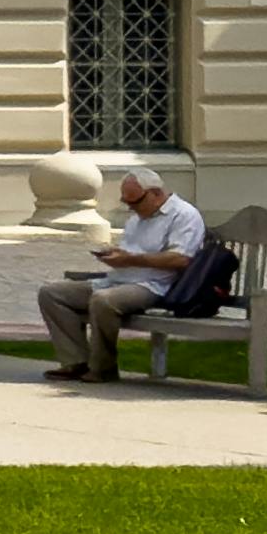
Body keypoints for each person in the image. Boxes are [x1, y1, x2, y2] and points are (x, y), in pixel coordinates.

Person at [32, 158, 220, 381]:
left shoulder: (183, 215)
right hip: (119, 280)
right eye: (127, 202)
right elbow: (130, 252)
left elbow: (180, 259)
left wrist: (131, 259)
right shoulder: (137, 218)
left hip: (156, 285)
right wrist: (114, 256)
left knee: (104, 301)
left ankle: (103, 367)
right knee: (52, 293)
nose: (131, 207)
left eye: (136, 202)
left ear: (156, 194)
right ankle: (76, 362)